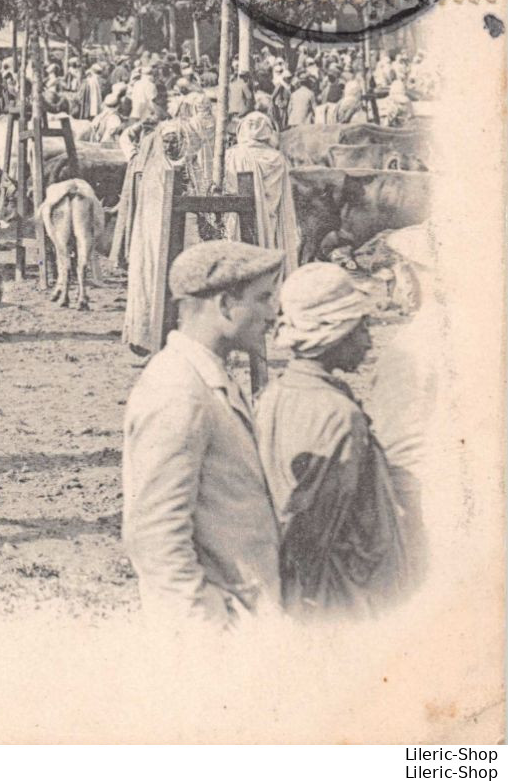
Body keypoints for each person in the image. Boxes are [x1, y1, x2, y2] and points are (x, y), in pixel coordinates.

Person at [121, 239, 284, 629]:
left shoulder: (206, 376)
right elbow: (155, 534)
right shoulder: (178, 391)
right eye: (262, 299)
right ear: (226, 306)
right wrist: (204, 631)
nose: (273, 313)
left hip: (246, 613)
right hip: (214, 633)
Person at [255, 263, 417, 616]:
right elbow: (315, 531)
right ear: (336, 333)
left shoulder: (275, 394)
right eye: (361, 328)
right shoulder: (340, 416)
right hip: (340, 597)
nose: (369, 341)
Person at [114, 98, 212, 353]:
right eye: (166, 141)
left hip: (183, 237)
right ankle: (146, 336)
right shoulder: (155, 170)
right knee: (151, 280)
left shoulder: (189, 168)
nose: (170, 146)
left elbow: (205, 129)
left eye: (175, 142)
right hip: (153, 239)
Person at [223, 112, 301, 276]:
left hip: (237, 219)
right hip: (269, 220)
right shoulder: (277, 158)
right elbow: (280, 198)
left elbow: (227, 188)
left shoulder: (232, 156)